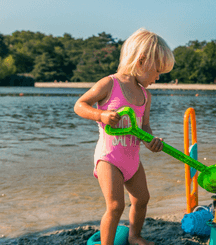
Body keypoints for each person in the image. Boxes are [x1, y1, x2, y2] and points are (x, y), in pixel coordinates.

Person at [73, 28, 174, 245]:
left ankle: (135, 235)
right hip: (109, 158)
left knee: (142, 199)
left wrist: (151, 142)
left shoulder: (146, 95)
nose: (157, 78)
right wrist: (100, 114)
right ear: (141, 61)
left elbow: (144, 127)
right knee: (116, 205)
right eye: (157, 71)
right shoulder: (110, 84)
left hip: (132, 160)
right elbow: (79, 105)